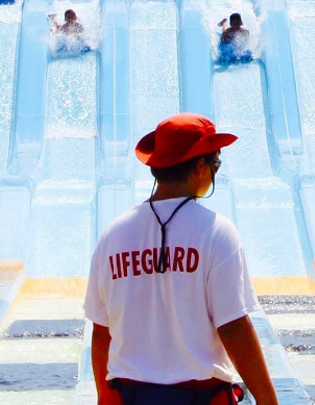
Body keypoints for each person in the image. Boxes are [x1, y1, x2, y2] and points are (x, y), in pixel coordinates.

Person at [84, 113, 278, 405]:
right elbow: (234, 326)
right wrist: (269, 401)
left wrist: (104, 397)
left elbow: (101, 334)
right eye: (216, 163)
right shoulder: (217, 233)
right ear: (199, 167)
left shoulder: (112, 236)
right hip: (200, 395)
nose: (215, 172)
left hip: (130, 395)